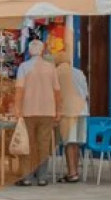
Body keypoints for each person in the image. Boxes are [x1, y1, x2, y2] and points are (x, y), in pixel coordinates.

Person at [14, 38, 61, 186]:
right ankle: (42, 177)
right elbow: (57, 92)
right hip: (47, 111)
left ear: (29, 51)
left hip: (28, 110)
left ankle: (27, 177)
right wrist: (58, 111)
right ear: (42, 51)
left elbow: (19, 90)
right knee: (44, 144)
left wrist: (17, 109)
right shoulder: (51, 67)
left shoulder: (24, 67)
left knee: (28, 144)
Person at [54, 50, 89, 183]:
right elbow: (86, 93)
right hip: (82, 110)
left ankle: (72, 173)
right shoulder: (79, 72)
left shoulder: (57, 73)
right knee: (76, 143)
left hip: (68, 112)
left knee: (69, 142)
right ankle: (75, 171)